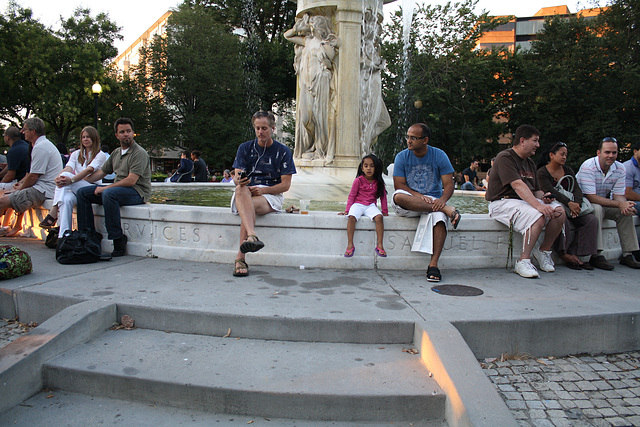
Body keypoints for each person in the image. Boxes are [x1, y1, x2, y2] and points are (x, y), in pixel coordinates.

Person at [486, 125, 565, 278]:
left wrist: (544, 198)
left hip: (524, 202)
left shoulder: (530, 163)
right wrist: (539, 206)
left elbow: (536, 190)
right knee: (537, 215)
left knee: (559, 211)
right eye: (535, 141)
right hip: (502, 202)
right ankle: (523, 261)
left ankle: (543, 252)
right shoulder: (505, 157)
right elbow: (517, 185)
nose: (538, 145)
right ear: (522, 141)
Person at [392, 123, 461, 283]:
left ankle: (433, 265)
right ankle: (447, 210)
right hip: (410, 201)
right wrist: (418, 196)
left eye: (413, 138)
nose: (408, 141)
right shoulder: (402, 156)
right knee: (398, 196)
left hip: (434, 202)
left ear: (425, 140)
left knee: (439, 221)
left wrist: (442, 201)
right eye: (408, 137)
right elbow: (399, 185)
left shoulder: (439, 155)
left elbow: (449, 185)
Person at [231, 111, 296, 277]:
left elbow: (285, 185)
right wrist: (240, 181)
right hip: (245, 192)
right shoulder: (244, 148)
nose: (261, 132)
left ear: (272, 129)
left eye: (264, 128)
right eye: (258, 128)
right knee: (240, 190)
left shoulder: (283, 151)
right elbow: (238, 176)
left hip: (269, 195)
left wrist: (263, 190)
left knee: (246, 207)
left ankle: (240, 258)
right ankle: (252, 236)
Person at [75, 118, 151, 257]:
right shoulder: (116, 153)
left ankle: (118, 239)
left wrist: (105, 188)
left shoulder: (139, 153)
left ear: (133, 133)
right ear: (117, 135)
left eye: (128, 131)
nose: (126, 134)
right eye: (122, 132)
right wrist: (77, 180)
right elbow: (101, 173)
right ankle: (88, 235)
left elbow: (131, 180)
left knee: (108, 194)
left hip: (137, 192)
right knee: (82, 193)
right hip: (118, 190)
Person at [576, 137, 640, 269]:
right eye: (607, 152)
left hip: (602, 201)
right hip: (584, 202)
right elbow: (591, 197)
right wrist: (619, 204)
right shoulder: (588, 166)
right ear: (599, 152)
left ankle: (628, 254)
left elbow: (619, 196)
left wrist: (624, 205)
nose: (611, 156)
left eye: (614, 152)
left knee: (625, 211)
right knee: (598, 209)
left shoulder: (620, 168)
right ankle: (597, 255)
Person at [536, 142, 598, 270]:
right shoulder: (542, 172)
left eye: (566, 155)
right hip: (559, 207)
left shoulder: (568, 170)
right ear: (551, 155)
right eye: (562, 154)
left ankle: (579, 254)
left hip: (573, 207)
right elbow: (550, 190)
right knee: (563, 220)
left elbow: (576, 189)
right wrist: (569, 203)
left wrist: (577, 204)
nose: (564, 157)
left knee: (591, 220)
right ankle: (564, 254)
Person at [38, 126, 107, 237]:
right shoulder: (76, 154)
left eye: (88, 137)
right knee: (66, 199)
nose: (85, 139)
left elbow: (90, 170)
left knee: (67, 177)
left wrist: (72, 179)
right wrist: (59, 177)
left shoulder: (100, 155)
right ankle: (64, 236)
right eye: (83, 137)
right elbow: (68, 167)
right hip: (76, 188)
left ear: (94, 138)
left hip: (91, 188)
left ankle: (53, 211)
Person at [0, 117, 63, 237]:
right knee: (9, 195)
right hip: (42, 187)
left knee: (2, 200)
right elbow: (31, 174)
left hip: (43, 190)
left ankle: (6, 226)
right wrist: (21, 184)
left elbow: (33, 176)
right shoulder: (40, 145)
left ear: (33, 132)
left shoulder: (41, 147)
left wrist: (20, 188)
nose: (23, 132)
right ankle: (11, 226)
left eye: (25, 130)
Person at [339, 154, 388, 258]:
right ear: (362, 168)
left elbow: (383, 196)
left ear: (376, 168)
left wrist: (385, 211)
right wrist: (347, 210)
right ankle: (350, 244)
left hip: (370, 206)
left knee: (379, 218)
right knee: (351, 218)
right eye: (366, 166)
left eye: (372, 166)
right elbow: (352, 195)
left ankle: (379, 245)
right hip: (358, 204)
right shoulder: (358, 180)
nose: (368, 168)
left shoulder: (378, 182)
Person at [623, 141, 640, 261]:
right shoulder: (628, 167)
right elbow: (627, 193)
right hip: (629, 201)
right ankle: (637, 253)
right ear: (635, 151)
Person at [0, 126, 30, 190]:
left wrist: (1, 183)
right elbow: (10, 167)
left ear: (8, 137)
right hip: (27, 179)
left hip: (19, 181)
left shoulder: (13, 150)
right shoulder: (25, 145)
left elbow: (10, 176)